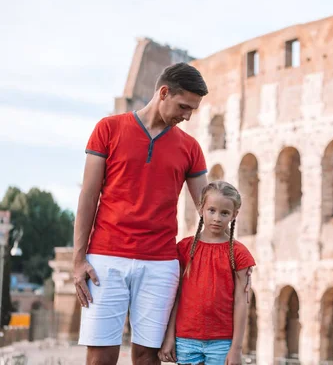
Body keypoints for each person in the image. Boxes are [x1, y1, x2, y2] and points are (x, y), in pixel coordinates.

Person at [72, 62, 251, 365]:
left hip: (160, 261)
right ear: (163, 92)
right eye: (184, 106)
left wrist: (228, 260)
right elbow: (88, 195)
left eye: (192, 109)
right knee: (101, 356)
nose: (187, 116)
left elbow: (207, 207)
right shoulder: (109, 128)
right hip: (106, 257)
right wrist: (79, 259)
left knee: (147, 356)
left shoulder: (190, 147)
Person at [158, 181, 255, 365]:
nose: (217, 218)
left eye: (224, 213)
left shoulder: (238, 253)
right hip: (186, 340)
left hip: (222, 343)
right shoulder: (184, 248)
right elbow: (175, 296)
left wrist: (236, 348)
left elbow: (241, 302)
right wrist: (169, 337)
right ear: (201, 208)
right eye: (212, 210)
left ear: (234, 215)